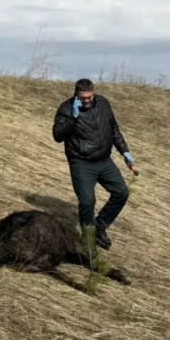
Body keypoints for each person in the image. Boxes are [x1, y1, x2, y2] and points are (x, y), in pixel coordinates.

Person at [52, 78, 134, 250]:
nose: (87, 100)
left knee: (121, 192)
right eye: (83, 98)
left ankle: (99, 227)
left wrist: (124, 151)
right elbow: (58, 136)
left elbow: (114, 129)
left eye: (90, 96)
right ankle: (88, 241)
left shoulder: (103, 103)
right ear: (76, 95)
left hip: (104, 161)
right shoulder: (66, 109)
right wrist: (73, 118)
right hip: (81, 163)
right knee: (88, 201)